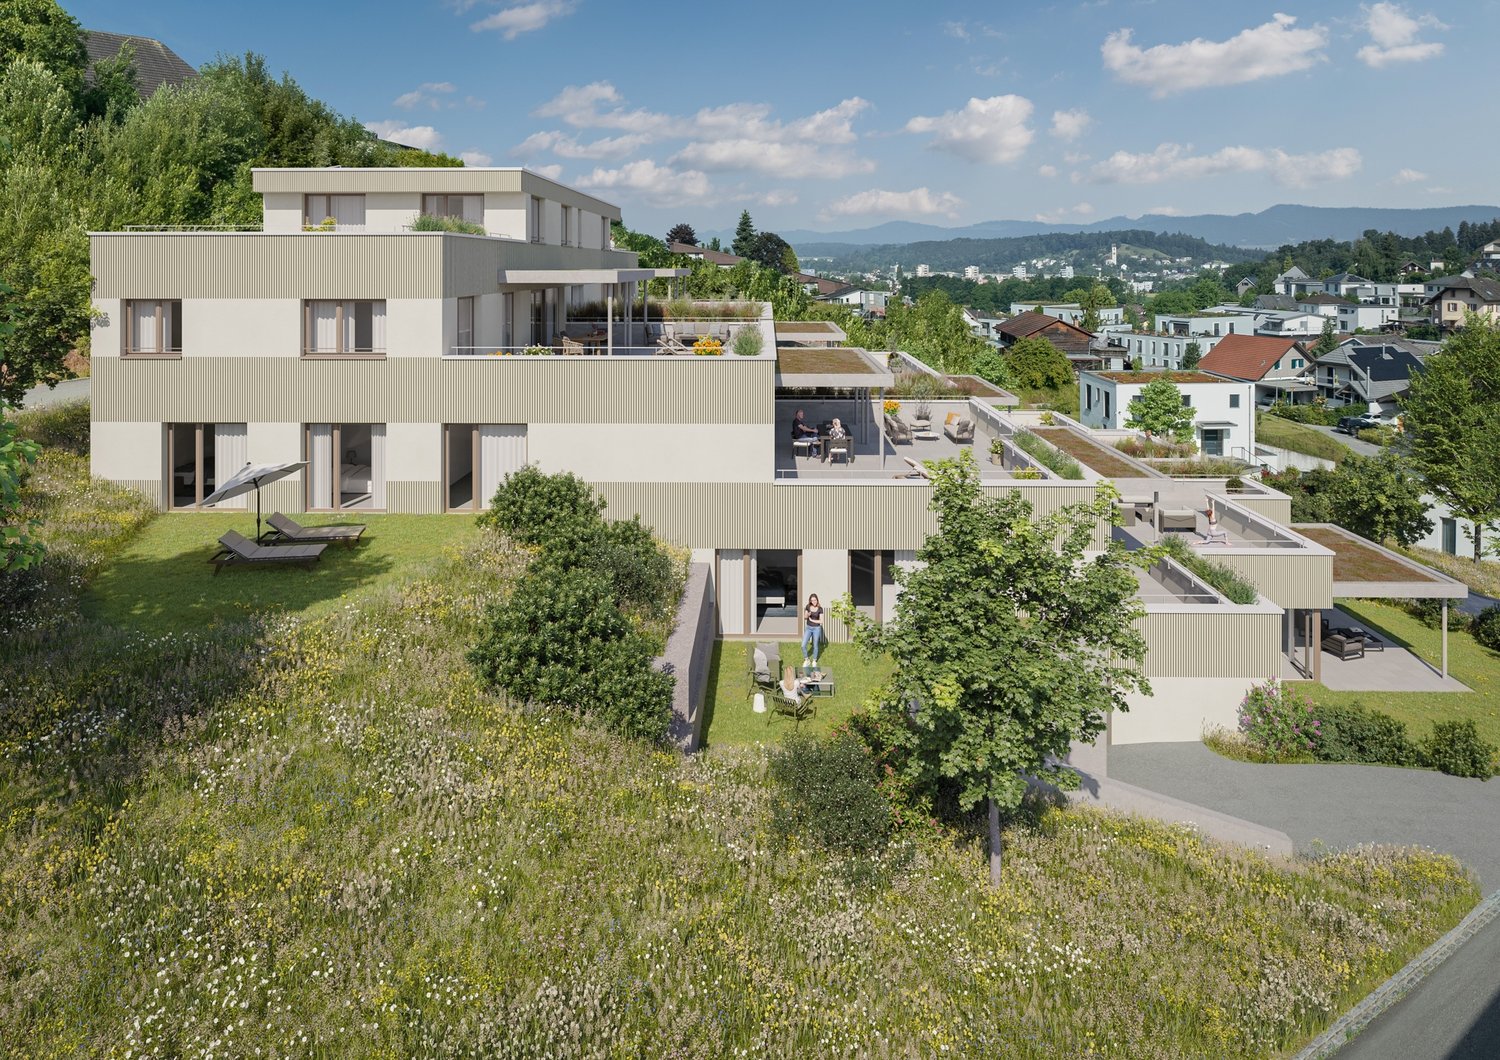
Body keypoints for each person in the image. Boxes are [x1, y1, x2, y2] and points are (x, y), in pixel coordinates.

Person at [802, 592, 824, 668]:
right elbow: (805, 617)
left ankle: (814, 660)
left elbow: (821, 621)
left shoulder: (820, 609)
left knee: (815, 645)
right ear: (810, 601)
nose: (814, 602)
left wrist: (812, 620)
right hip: (808, 628)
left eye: (815, 600)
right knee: (803, 645)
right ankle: (807, 659)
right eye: (812, 600)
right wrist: (807, 615)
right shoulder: (808, 607)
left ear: (817, 600)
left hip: (816, 629)